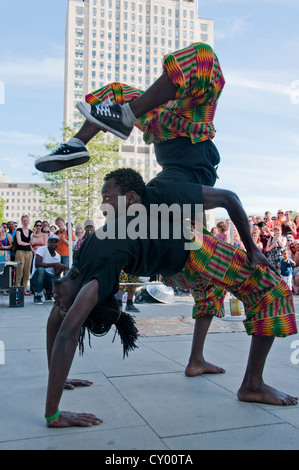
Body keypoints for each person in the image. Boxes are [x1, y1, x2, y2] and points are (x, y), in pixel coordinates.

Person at [43, 170, 297, 428]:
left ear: (130, 198)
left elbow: (61, 326)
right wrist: (54, 404)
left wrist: (57, 377)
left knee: (228, 287)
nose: (56, 301)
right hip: (186, 256)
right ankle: (252, 385)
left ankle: (199, 362)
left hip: (185, 257)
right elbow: (64, 326)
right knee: (268, 288)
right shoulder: (91, 270)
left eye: (107, 197)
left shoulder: (87, 260)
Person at [31, 234, 67, 304]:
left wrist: (61, 268)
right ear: (48, 242)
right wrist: (54, 264)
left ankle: (49, 292)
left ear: (57, 244)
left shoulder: (58, 256)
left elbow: (56, 273)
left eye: (55, 242)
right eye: (51, 242)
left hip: (49, 277)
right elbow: (37, 264)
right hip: (38, 276)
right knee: (41, 270)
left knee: (58, 278)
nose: (53, 244)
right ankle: (37, 294)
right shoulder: (41, 249)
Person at [15, 214, 33, 295]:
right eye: (24, 221)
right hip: (20, 252)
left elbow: (32, 242)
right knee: (19, 271)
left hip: (29, 253)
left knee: (27, 272)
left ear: (29, 221)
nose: (25, 222)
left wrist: (29, 244)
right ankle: (17, 289)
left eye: (27, 220)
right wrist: (28, 244)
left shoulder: (31, 232)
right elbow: (19, 242)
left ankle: (24, 289)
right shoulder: (19, 230)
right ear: (22, 222)